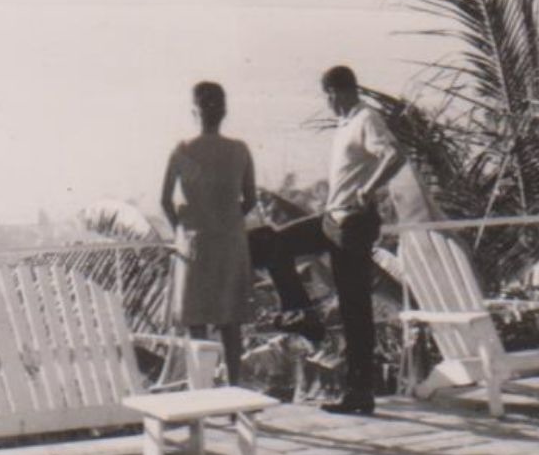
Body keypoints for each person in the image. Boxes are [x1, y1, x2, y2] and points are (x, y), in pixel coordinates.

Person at [251, 65, 406, 415]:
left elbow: (395, 155)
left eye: (330, 96)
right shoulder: (345, 124)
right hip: (331, 219)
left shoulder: (367, 118)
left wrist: (368, 190)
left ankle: (360, 392)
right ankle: (300, 312)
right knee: (273, 244)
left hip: (353, 223)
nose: (329, 103)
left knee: (355, 306)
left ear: (339, 91)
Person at [160, 81, 256, 388]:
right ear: (224, 112)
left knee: (196, 321)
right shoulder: (239, 150)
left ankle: (200, 392)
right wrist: (227, 219)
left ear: (194, 111)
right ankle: (235, 390)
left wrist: (182, 228)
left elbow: (164, 200)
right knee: (230, 323)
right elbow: (250, 199)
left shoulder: (183, 150)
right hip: (229, 241)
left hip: (195, 242)